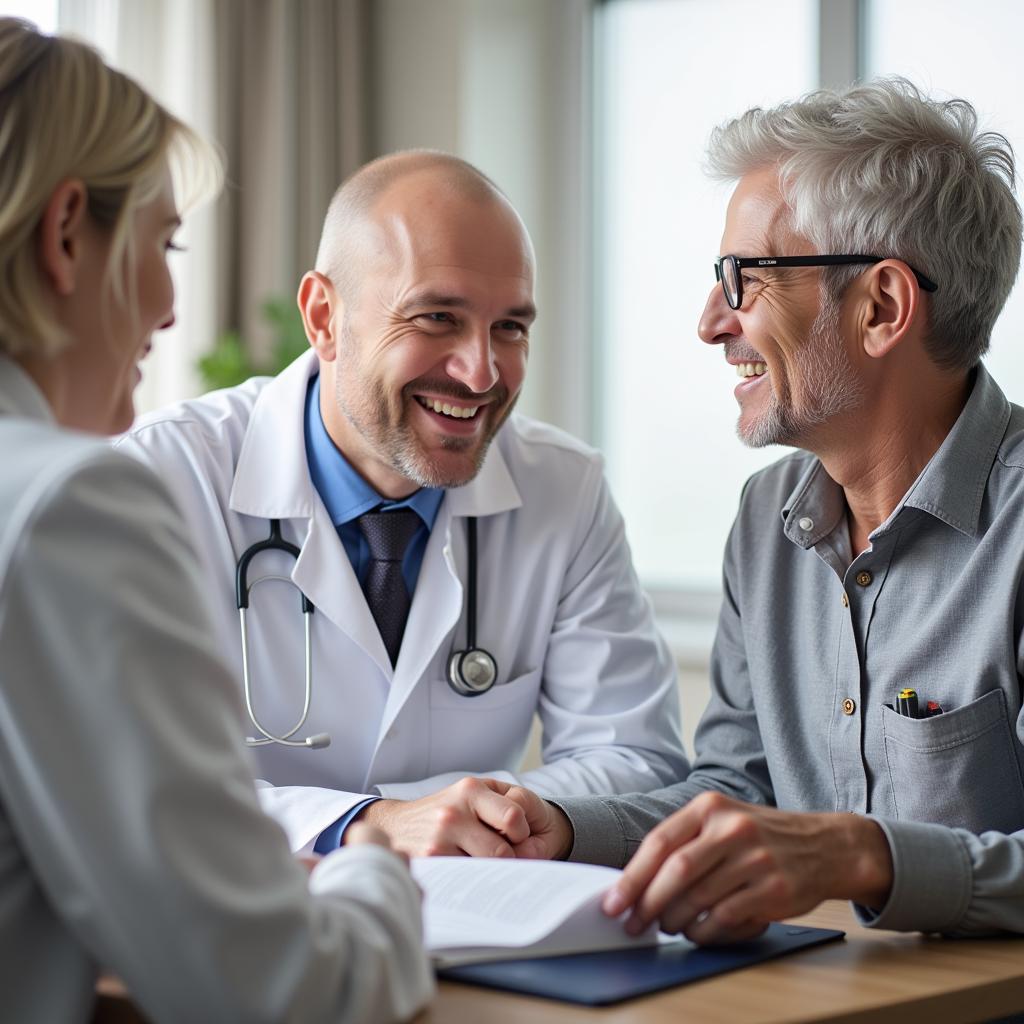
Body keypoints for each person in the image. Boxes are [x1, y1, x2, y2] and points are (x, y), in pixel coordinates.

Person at [509, 79, 1024, 941]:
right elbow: (738, 794)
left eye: (743, 278)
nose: (712, 322)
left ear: (882, 306)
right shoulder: (767, 518)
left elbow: (832, 851)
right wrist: (558, 828)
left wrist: (866, 857)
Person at [0, 18, 435, 1021]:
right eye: (163, 242)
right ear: (68, 234)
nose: (165, 304)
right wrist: (373, 869)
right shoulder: (70, 504)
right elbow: (276, 991)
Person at [115, 150, 687, 855]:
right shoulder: (166, 477)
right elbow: (124, 773)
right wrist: (369, 825)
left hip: (484, 930)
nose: (481, 371)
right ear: (324, 317)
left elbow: (640, 760)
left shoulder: (564, 490)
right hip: (243, 930)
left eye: (511, 327)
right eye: (437, 317)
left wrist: (489, 817)